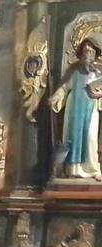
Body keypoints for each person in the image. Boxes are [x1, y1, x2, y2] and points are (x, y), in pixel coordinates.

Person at [50, 36, 102, 180]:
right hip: (74, 108)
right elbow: (64, 87)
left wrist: (100, 94)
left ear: (95, 53)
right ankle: (73, 169)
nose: (88, 52)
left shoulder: (99, 71)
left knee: (91, 137)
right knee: (73, 136)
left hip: (91, 107)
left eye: (91, 50)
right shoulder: (73, 69)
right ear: (81, 53)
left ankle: (92, 169)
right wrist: (56, 96)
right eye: (85, 50)